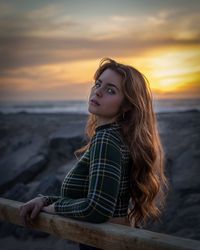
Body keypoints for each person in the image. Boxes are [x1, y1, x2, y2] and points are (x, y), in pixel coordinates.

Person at [19, 58, 168, 250]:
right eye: (98, 84)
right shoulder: (116, 137)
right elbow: (95, 199)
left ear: (127, 106)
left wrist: (53, 208)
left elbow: (97, 209)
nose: (97, 91)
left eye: (110, 90)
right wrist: (45, 200)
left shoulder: (106, 140)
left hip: (103, 243)